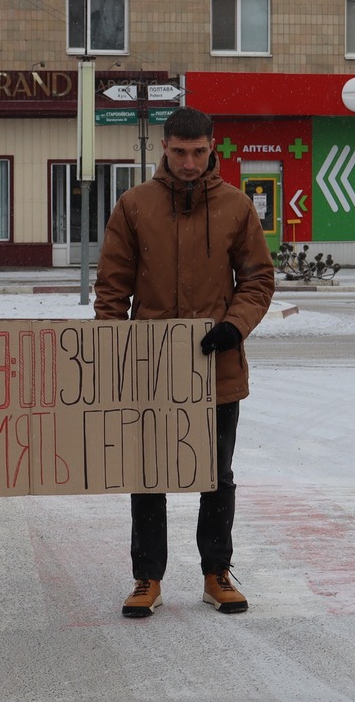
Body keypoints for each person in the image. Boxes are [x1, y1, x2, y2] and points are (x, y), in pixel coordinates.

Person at [95, 107, 277, 619]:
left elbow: (258, 280)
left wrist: (234, 326)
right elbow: (112, 288)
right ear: (164, 148)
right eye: (180, 152)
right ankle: (147, 577)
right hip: (150, 368)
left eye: (198, 152)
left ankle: (216, 572)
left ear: (212, 146)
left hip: (217, 368)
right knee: (148, 473)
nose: (190, 162)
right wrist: (111, 348)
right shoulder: (134, 205)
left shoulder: (237, 206)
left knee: (216, 474)